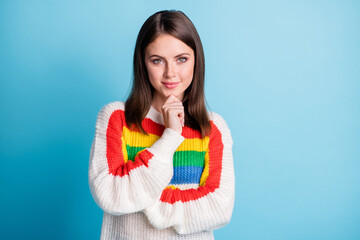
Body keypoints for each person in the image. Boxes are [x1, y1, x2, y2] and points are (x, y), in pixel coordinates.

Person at [88, 10, 235, 240]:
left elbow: (218, 208)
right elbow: (110, 195)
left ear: (196, 60)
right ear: (143, 63)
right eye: (157, 60)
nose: (170, 73)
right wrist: (170, 137)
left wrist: (144, 200)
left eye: (181, 59)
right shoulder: (116, 118)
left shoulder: (212, 127)